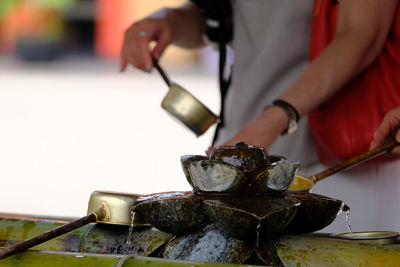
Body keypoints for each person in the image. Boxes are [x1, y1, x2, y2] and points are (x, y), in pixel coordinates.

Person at [121, 0, 400, 232]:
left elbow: (362, 33)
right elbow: (223, 21)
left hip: (337, 171)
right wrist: (168, 21)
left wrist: (274, 119)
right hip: (244, 160)